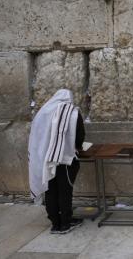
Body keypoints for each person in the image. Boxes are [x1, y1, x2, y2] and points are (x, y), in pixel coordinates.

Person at [28, 89, 85, 234]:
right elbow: (79, 138)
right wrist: (76, 146)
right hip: (65, 159)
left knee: (50, 190)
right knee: (65, 191)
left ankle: (55, 224)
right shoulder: (72, 113)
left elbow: (37, 134)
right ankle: (65, 224)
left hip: (45, 159)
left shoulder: (43, 112)